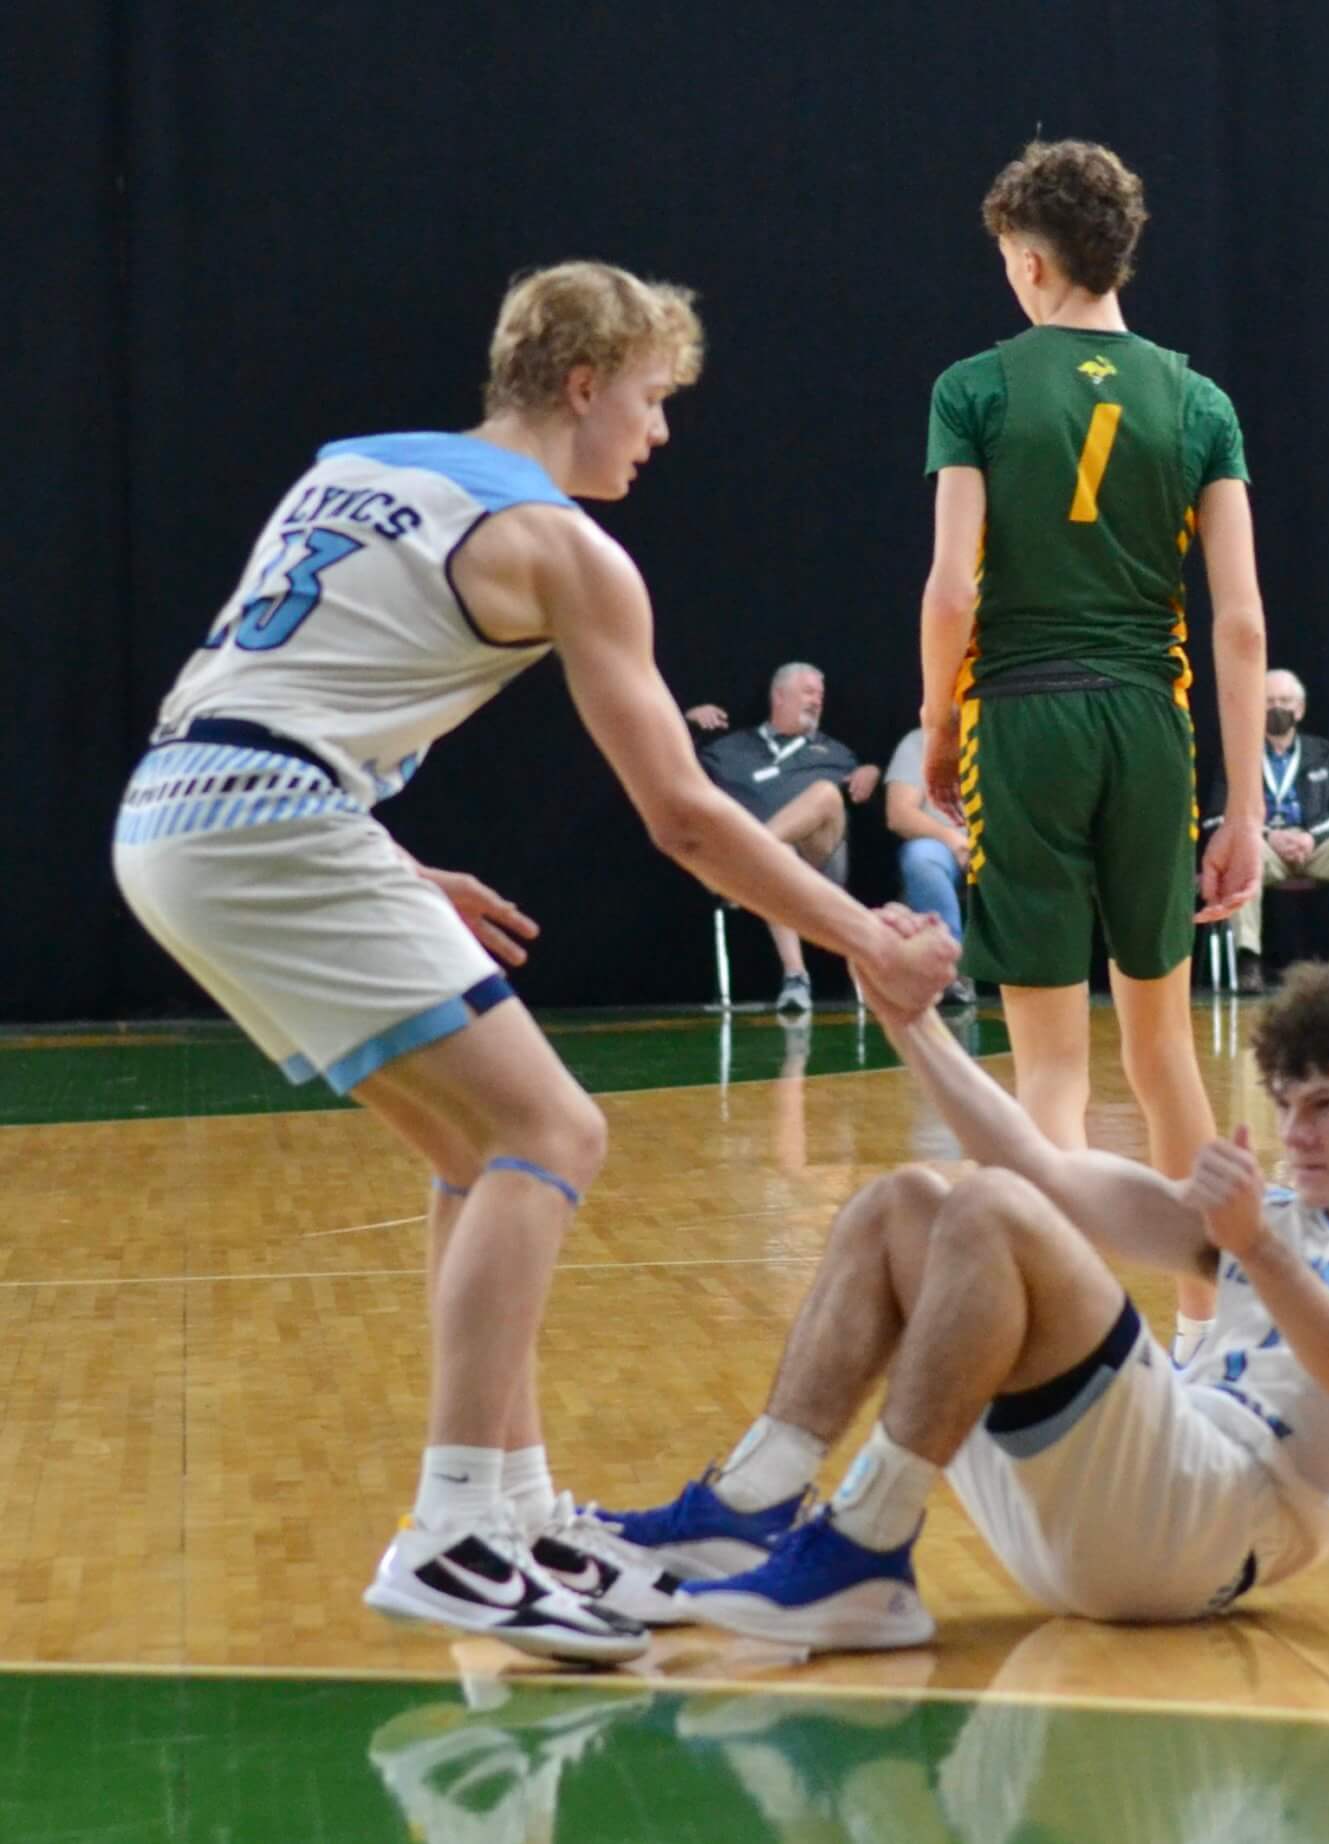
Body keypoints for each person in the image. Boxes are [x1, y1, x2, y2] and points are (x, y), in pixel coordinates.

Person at [110, 262, 958, 1663]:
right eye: (653, 398)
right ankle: (450, 1528)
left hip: (181, 811)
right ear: (583, 384)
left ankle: (509, 1510)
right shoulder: (567, 549)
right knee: (557, 1130)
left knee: (474, 1148)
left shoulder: (350, 465)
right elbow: (685, 815)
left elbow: (261, 691)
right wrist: (867, 935)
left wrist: (388, 864)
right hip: (273, 821)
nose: (661, 430)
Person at [596, 959, 1329, 1650]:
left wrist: (1255, 1250)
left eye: (1326, 1106)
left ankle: (864, 1546)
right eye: (1285, 1106)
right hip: (1128, 1504)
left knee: (995, 1211)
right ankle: (750, 1504)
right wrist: (910, 1020)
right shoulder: (1277, 1212)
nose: (1295, 1133)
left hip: (1217, 1524)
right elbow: (1039, 1164)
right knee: (905, 1204)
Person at [915, 138, 1268, 1342]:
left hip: (1022, 717)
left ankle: (1067, 1339)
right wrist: (1244, 807)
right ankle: (1208, 1325)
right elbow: (1239, 622)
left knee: (1052, 1068)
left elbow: (952, 590)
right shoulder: (1199, 401)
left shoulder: (975, 387)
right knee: (1164, 1053)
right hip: (1150, 723)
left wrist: (935, 724)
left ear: (1028, 261)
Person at [686, 663, 882, 1011]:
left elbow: (871, 806)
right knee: (781, 857)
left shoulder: (837, 753)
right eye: (808, 692)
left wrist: (872, 770)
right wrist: (687, 721)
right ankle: (795, 977)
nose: (817, 701)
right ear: (779, 696)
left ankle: (744, 861)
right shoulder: (728, 748)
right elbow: (669, 770)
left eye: (820, 695)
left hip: (820, 864)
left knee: (824, 793)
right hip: (772, 870)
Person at [1206, 668, 1329, 993]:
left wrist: (1311, 836)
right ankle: (1248, 960)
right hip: (1264, 850)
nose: (1277, 708)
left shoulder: (1325, 753)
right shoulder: (1238, 756)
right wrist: (1266, 836)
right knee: (1241, 848)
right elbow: (1217, 820)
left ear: (1300, 709)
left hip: (1315, 848)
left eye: (1285, 701)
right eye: (1269, 701)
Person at [882, 724, 975, 1006]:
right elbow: (899, 814)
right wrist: (953, 840)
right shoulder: (918, 742)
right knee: (922, 858)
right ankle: (950, 969)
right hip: (943, 845)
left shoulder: (1005, 740)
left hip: (999, 845)